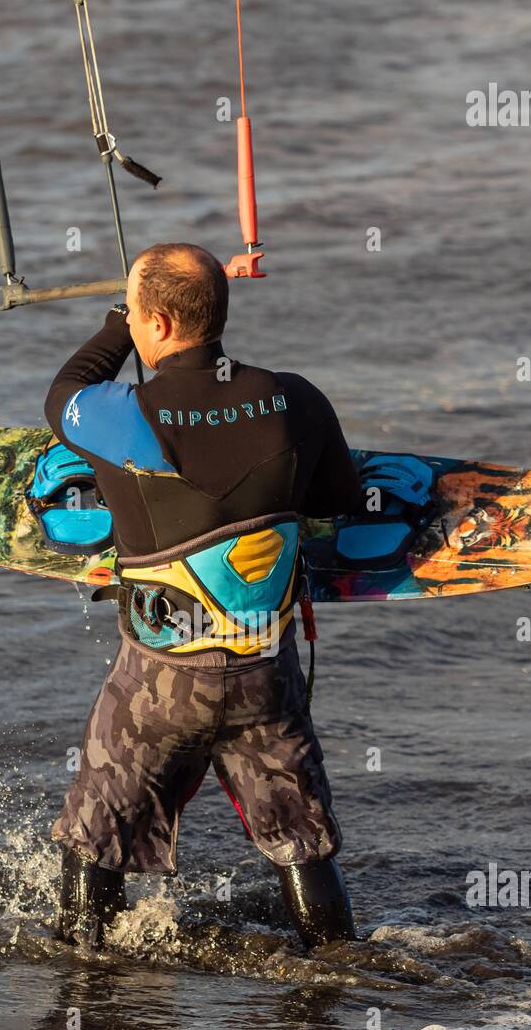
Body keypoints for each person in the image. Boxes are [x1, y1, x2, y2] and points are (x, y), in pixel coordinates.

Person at [44, 243, 363, 953]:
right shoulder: (298, 400)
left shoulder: (116, 415)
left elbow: (62, 394)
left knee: (93, 837)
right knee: (303, 842)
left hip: (159, 683)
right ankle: (340, 974)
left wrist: (110, 328)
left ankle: (78, 978)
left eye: (134, 310)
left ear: (152, 321)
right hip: (262, 673)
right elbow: (338, 498)